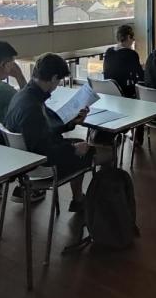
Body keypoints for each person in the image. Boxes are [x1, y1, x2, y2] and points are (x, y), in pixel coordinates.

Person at [5, 53, 93, 211]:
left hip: (23, 159)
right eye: (58, 80)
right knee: (88, 152)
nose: (57, 84)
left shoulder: (24, 95)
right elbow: (45, 153)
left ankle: (79, 200)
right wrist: (74, 149)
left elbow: (44, 128)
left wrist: (71, 122)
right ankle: (80, 200)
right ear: (53, 78)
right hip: (40, 166)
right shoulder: (33, 107)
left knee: (78, 146)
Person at [102, 24, 144, 98]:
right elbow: (140, 76)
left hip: (110, 91)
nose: (133, 40)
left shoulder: (109, 51)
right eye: (132, 38)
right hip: (125, 92)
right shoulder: (131, 54)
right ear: (128, 37)